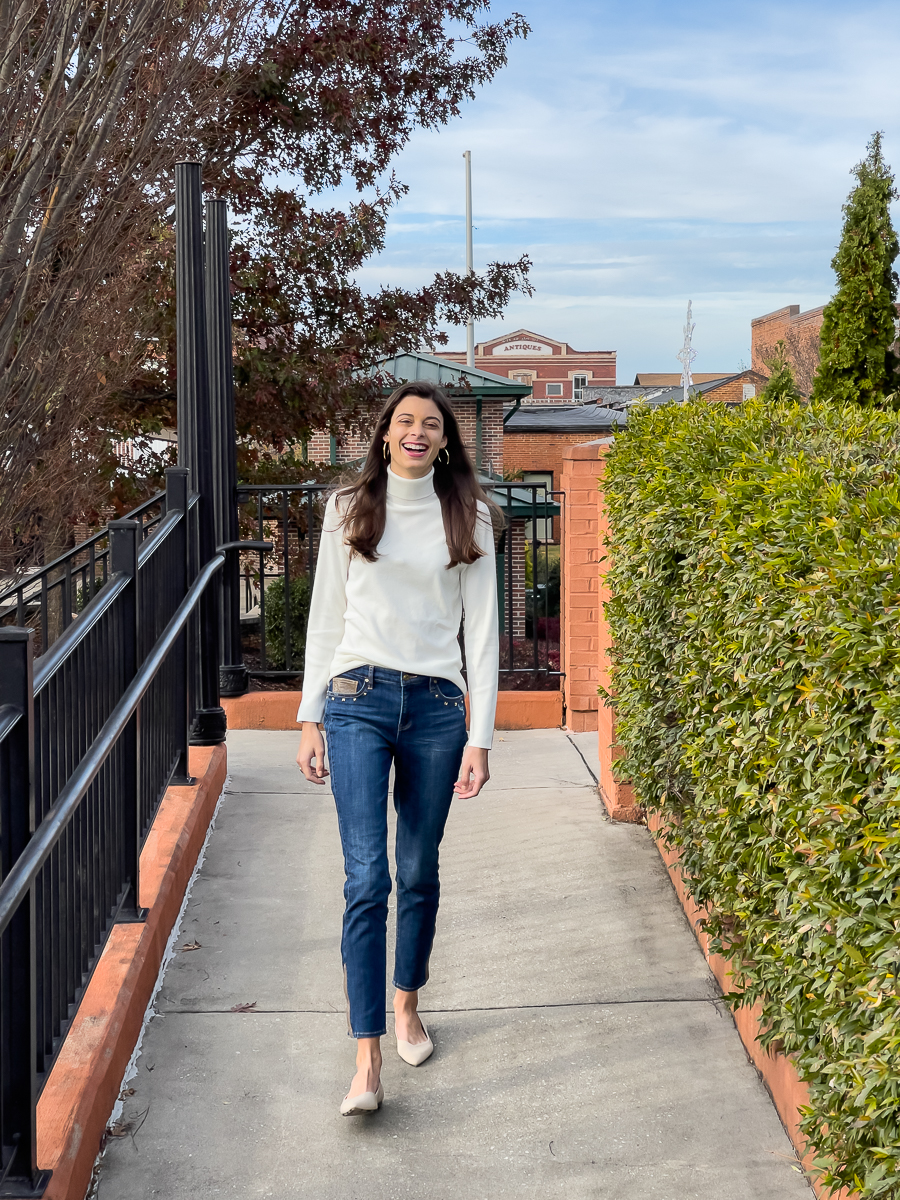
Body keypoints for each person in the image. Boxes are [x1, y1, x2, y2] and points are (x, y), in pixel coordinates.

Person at [295, 380, 500, 1116]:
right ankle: (367, 1059)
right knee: (365, 877)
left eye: (431, 424)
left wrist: (481, 735)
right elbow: (326, 618)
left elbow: (481, 631)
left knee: (416, 869)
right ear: (385, 434)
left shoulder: (467, 512)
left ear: (445, 440)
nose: (417, 432)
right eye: (405, 421)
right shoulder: (348, 508)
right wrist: (309, 716)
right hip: (358, 699)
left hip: (439, 709)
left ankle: (408, 1002)